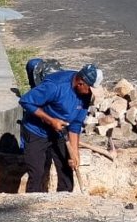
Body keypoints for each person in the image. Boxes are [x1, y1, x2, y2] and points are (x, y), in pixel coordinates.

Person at [19, 59, 103, 192]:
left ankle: (62, 207)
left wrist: (74, 153)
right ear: (80, 82)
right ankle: (34, 209)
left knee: (67, 173)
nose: (90, 94)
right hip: (36, 132)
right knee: (38, 174)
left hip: (60, 133)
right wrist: (50, 120)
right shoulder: (55, 86)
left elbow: (75, 125)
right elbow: (26, 101)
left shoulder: (85, 95)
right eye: (89, 89)